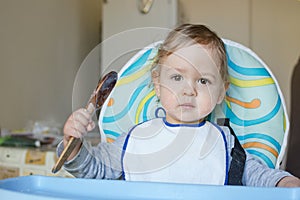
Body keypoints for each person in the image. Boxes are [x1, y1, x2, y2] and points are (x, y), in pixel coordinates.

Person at [57, 24, 300, 187]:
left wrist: (285, 183)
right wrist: (74, 145)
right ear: (158, 84)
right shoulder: (136, 138)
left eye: (203, 80)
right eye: (176, 77)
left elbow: (257, 176)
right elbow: (93, 171)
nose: (188, 89)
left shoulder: (225, 142)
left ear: (220, 93)